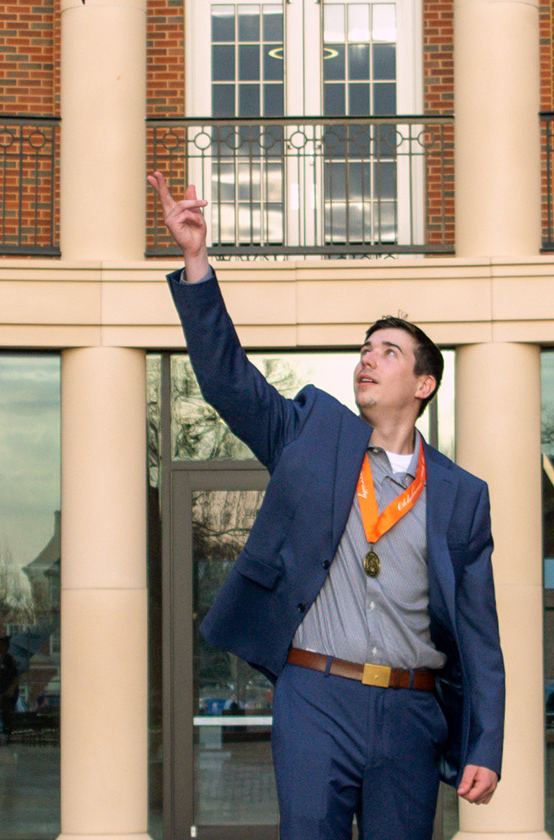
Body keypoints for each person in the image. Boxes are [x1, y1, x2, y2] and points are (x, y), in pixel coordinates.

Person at [153, 171, 504, 840]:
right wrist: (197, 263)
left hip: (411, 710)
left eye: (389, 352)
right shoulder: (314, 434)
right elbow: (231, 384)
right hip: (315, 695)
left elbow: (480, 633)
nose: (368, 360)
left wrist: (486, 744)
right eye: (365, 350)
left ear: (424, 382)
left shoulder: (461, 496)